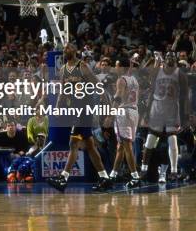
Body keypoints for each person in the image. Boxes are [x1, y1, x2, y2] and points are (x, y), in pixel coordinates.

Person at [47, 43, 113, 192]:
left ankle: (63, 178)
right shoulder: (63, 69)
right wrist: (57, 107)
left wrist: (107, 107)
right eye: (64, 49)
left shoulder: (82, 66)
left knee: (73, 143)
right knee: (89, 145)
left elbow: (97, 84)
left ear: (75, 51)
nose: (65, 50)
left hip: (84, 110)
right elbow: (63, 90)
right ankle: (105, 178)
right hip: (74, 110)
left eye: (68, 48)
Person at [140, 51, 189, 183]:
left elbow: (185, 96)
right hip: (156, 109)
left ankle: (173, 171)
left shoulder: (180, 74)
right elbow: (151, 92)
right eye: (167, 57)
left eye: (172, 57)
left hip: (172, 110)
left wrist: (185, 117)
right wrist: (146, 111)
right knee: (150, 140)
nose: (170, 59)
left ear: (176, 59)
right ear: (164, 59)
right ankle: (143, 169)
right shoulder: (157, 72)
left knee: (172, 140)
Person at [108, 57, 141, 188]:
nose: (115, 68)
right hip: (134, 111)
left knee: (126, 145)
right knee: (121, 146)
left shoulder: (121, 80)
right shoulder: (133, 79)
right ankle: (113, 175)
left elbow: (119, 95)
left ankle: (135, 176)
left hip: (124, 112)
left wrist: (110, 114)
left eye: (116, 65)